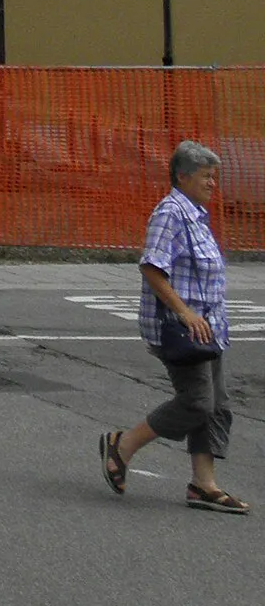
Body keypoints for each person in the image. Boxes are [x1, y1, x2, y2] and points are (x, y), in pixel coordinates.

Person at [101, 141, 248, 513]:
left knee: (215, 406)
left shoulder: (196, 214)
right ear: (182, 176)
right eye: (206, 176)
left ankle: (204, 485)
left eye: (214, 177)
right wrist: (184, 312)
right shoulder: (171, 213)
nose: (213, 183)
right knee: (198, 401)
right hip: (182, 329)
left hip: (208, 328)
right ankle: (123, 444)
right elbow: (152, 266)